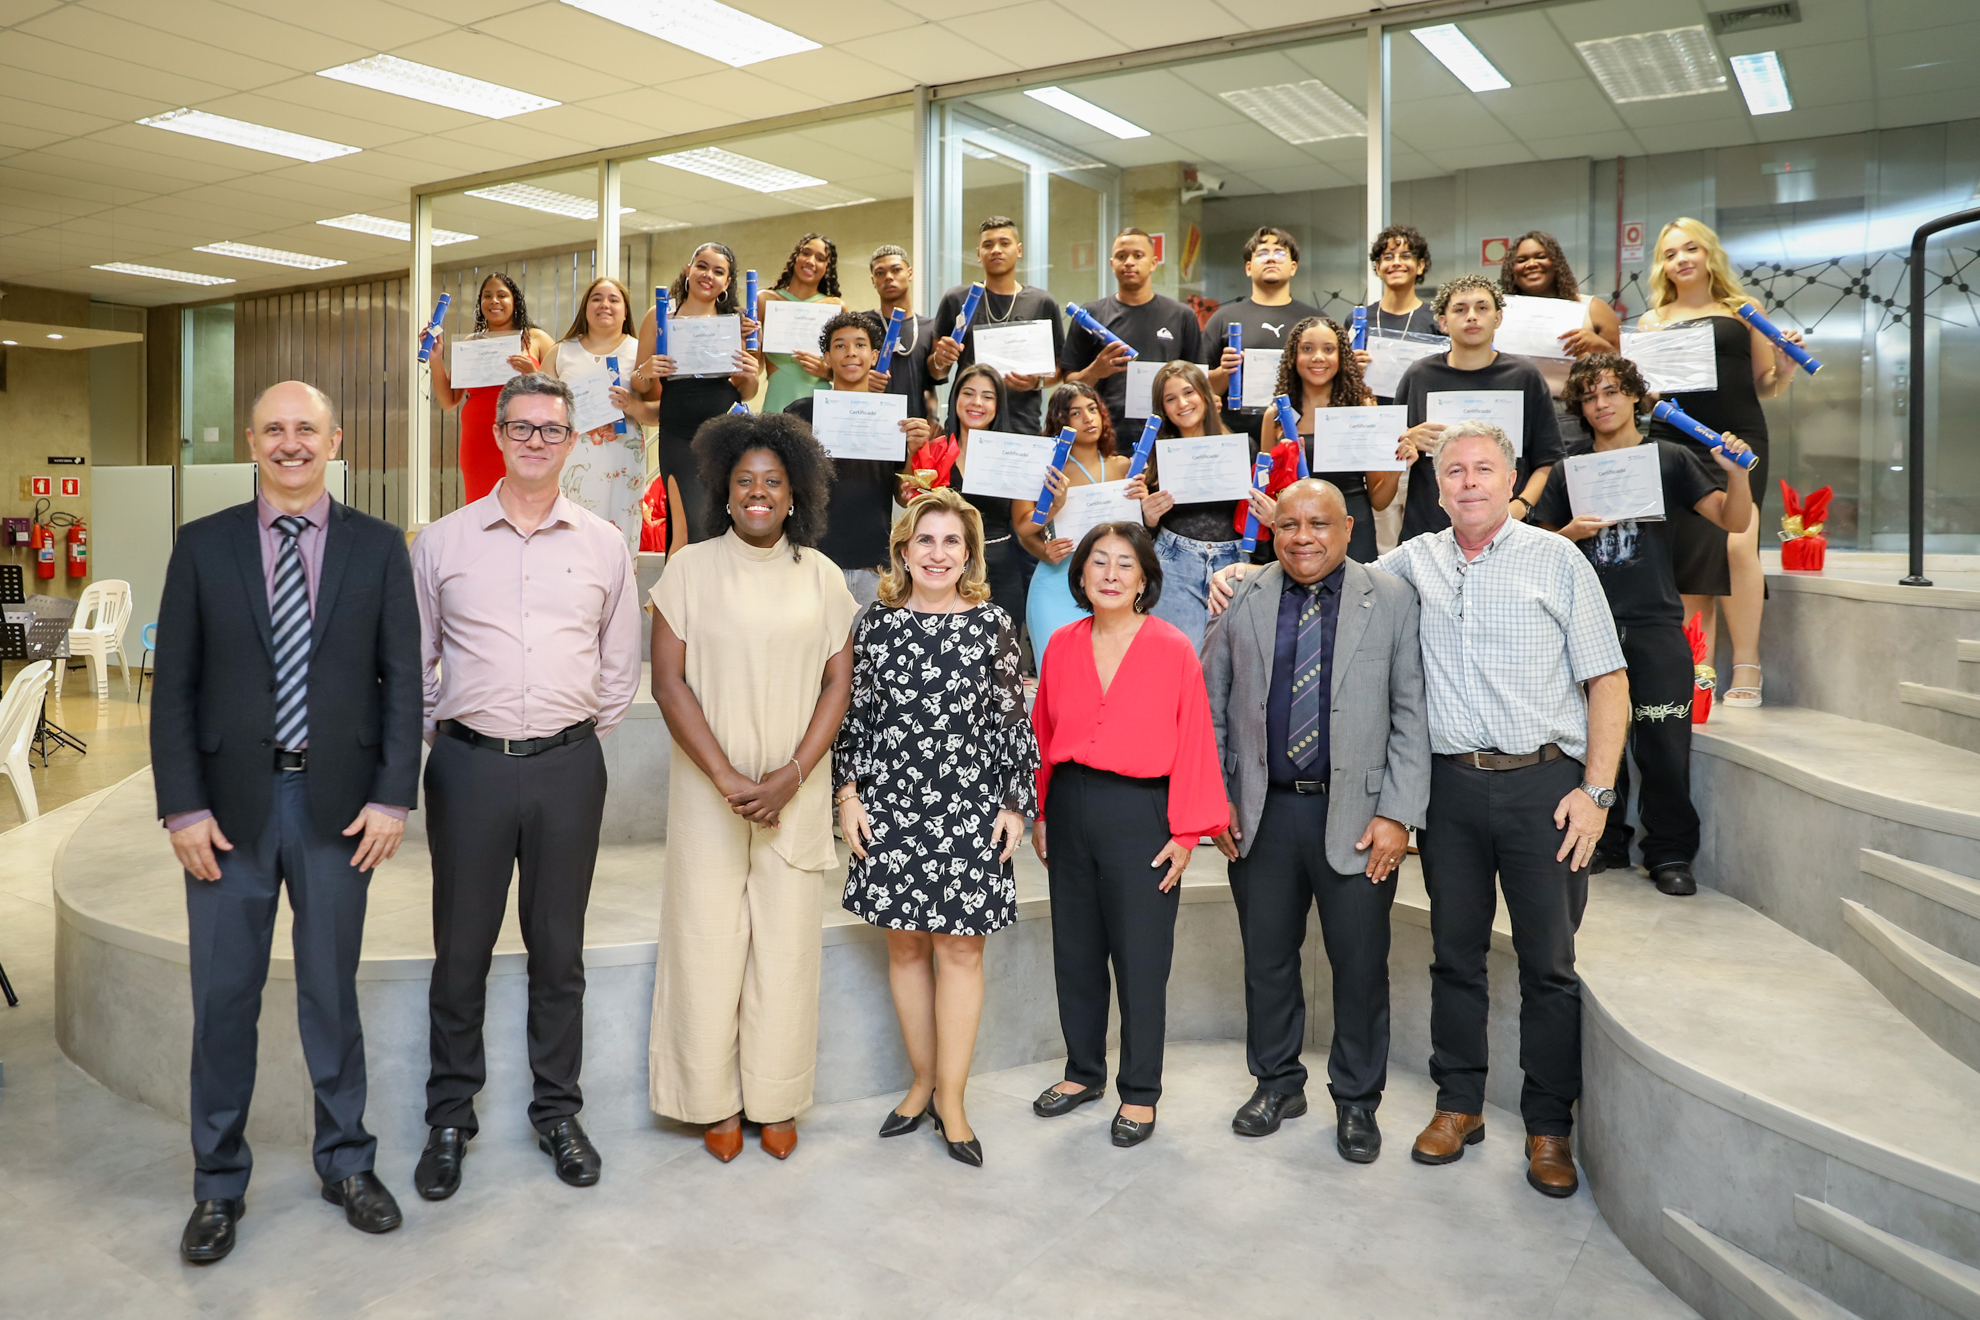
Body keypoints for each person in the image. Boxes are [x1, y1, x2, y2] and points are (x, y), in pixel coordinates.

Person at [153, 381, 421, 1263]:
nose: (291, 442)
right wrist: (183, 806)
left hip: (339, 811)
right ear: (251, 441)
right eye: (275, 429)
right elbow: (176, 691)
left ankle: (346, 1161)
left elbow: (401, 686)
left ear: (334, 439)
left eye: (306, 429)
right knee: (223, 999)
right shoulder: (202, 546)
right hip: (228, 814)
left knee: (329, 994)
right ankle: (217, 1183)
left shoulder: (381, 549)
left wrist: (391, 797)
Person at [1376, 421, 1628, 1201]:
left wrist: (1596, 792)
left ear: (1511, 476)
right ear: (1438, 484)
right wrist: (1239, 575)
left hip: (1545, 791)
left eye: (1484, 469)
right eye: (1454, 471)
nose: (1469, 482)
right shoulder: (1412, 561)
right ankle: (1459, 1105)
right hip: (1449, 791)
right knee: (1455, 954)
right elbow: (1333, 583)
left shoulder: (1557, 559)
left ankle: (1549, 1126)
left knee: (1549, 966)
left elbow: (1608, 683)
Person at [411, 374, 641, 1201]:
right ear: (499, 435)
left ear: (572, 443)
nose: (536, 440)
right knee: (461, 950)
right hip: (467, 767)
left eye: (552, 429)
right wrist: (462, 732)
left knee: (559, 951)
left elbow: (619, 673)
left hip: (568, 766)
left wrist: (563, 735)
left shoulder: (605, 545)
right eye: (521, 427)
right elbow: (415, 661)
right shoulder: (441, 541)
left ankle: (557, 1111)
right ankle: (448, 1117)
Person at [647, 411, 858, 1163]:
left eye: (773, 482)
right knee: (706, 938)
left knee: (786, 945)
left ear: (795, 495)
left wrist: (793, 774)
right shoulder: (690, 569)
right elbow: (669, 684)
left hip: (793, 793)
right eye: (745, 483)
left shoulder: (823, 576)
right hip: (712, 788)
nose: (759, 493)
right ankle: (709, 1100)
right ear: (725, 495)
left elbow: (839, 681)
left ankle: (775, 1097)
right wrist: (731, 777)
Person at [1201, 479, 1428, 1161]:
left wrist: (1398, 815)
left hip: (1358, 819)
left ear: (1349, 528)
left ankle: (1357, 1102)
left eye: (1319, 524)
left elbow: (1412, 713)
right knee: (1268, 961)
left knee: (1360, 967)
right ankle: (1277, 1082)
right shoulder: (1242, 595)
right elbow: (1209, 705)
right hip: (1260, 815)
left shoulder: (1389, 598)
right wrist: (1215, 801)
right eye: (1290, 524)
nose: (1303, 537)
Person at [833, 488, 1040, 1167]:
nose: (938, 553)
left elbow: (1014, 724)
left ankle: (952, 1098)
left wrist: (1014, 804)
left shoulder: (992, 625)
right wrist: (848, 794)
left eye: (953, 542)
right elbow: (854, 717)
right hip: (890, 805)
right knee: (904, 949)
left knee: (959, 952)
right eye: (926, 540)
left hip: (970, 808)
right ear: (903, 550)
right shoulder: (875, 625)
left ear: (970, 556)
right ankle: (920, 1082)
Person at [1030, 522, 1227, 1147]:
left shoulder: (1171, 646)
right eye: (1098, 563)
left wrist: (1188, 831)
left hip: (1142, 812)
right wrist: (1038, 810)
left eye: (1124, 565)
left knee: (1141, 960)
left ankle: (1140, 1091)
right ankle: (1083, 1071)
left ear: (1144, 579)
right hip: (1069, 806)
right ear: (1080, 574)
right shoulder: (1061, 643)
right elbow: (1039, 733)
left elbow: (1196, 735)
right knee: (1076, 953)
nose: (1110, 575)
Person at [1532, 354, 1753, 896]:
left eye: (1611, 391)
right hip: (1585, 624)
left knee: (1664, 743)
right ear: (1580, 407)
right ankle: (1603, 842)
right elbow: (1535, 545)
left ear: (1635, 395)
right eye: (1589, 396)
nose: (1601, 403)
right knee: (1595, 743)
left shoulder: (1670, 458)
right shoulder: (1569, 468)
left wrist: (1737, 473)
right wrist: (1571, 532)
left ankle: (1670, 852)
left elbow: (1734, 519)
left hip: (1655, 621)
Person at [1636, 216, 1803, 709]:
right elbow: (1651, 400)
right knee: (1691, 556)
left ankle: (1748, 665)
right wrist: (1643, 392)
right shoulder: (1653, 321)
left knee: (1735, 547)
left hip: (1738, 442)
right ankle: (1697, 668)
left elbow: (1765, 384)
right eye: (1670, 254)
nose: (1681, 259)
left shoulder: (1744, 310)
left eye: (1690, 249)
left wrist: (1787, 367)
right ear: (1661, 267)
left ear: (1709, 254)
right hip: (1675, 440)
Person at [1393, 276, 1564, 542]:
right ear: (1443, 322)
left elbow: (1548, 459)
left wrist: (1519, 507)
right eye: (1460, 309)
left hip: (1506, 533)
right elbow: (1385, 460)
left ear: (1498, 318)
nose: (1471, 317)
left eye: (1482, 308)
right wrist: (1407, 439)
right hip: (1428, 531)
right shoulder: (1418, 376)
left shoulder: (1524, 376)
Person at [783, 309, 933, 610]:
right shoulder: (799, 414)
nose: (851, 352)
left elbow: (902, 498)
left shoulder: (893, 420)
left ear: (875, 356)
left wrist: (914, 452)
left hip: (873, 563)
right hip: (813, 558)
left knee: (870, 654)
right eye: (839, 345)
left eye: (860, 345)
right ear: (826, 358)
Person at [631, 242, 761, 549]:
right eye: (702, 266)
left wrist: (751, 373)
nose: (708, 275)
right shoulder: (662, 315)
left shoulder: (737, 323)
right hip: (677, 435)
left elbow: (747, 391)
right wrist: (647, 371)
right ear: (688, 270)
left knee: (721, 529)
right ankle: (671, 599)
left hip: (723, 434)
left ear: (727, 283)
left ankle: (714, 597)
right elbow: (639, 384)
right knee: (684, 529)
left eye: (719, 272)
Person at [1254, 316, 1402, 564]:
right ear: (1293, 357)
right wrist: (1275, 513)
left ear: (1342, 357)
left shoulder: (1363, 408)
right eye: (1307, 349)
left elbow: (1378, 501)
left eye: (1329, 349)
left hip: (1353, 532)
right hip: (1296, 539)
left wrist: (1397, 469)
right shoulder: (1276, 416)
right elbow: (1268, 488)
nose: (1318, 357)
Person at [1132, 360, 1249, 650]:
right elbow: (1137, 532)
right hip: (1174, 565)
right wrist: (1147, 518)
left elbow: (1258, 519)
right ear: (1162, 409)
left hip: (1233, 563)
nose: (1182, 403)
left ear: (1206, 396)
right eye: (1170, 399)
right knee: (1177, 663)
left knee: (1230, 663)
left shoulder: (1241, 447)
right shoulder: (1152, 458)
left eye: (1189, 392)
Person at [1013, 382, 1132, 657]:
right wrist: (1047, 540)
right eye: (1076, 413)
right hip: (1057, 583)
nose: (1088, 418)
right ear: (1060, 422)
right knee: (1058, 680)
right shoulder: (1044, 470)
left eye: (1092, 409)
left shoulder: (1125, 466)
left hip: (1112, 584)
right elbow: (1022, 527)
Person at [919, 362, 1033, 626]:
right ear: (955, 397)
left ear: (998, 405)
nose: (976, 402)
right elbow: (914, 506)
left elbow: (1024, 524)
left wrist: (1054, 502)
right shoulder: (936, 448)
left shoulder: (1012, 454)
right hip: (943, 567)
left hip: (1000, 570)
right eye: (968, 393)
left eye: (987, 396)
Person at [428, 272, 557, 504]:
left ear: (514, 301)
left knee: (524, 504)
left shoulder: (536, 339)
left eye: (502, 295)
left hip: (524, 436)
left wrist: (534, 375)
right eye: (487, 296)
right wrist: (435, 357)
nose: (494, 301)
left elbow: (561, 396)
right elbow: (449, 400)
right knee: (481, 507)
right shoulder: (471, 343)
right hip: (479, 437)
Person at [927, 216, 1064, 435]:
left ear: (1019, 250)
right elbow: (936, 372)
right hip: (966, 425)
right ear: (979, 253)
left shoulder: (1041, 302)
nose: (996, 250)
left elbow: (1060, 370)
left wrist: (1035, 381)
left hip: (1022, 423)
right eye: (988, 245)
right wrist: (940, 358)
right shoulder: (957, 299)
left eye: (1004, 243)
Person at [1061, 227, 1203, 434]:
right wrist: (1095, 371)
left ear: (1153, 263)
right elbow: (1068, 386)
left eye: (1138, 256)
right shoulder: (1090, 316)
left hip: (1169, 432)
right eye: (1121, 256)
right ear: (1112, 264)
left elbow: (1198, 381)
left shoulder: (1181, 315)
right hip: (1106, 434)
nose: (1129, 262)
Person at [546, 275, 651, 547]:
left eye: (613, 299)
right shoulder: (561, 351)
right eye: (596, 298)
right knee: (568, 534)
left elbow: (660, 412)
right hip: (570, 459)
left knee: (618, 536)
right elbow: (538, 407)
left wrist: (633, 406)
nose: (605, 304)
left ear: (625, 311)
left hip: (622, 458)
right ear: (585, 308)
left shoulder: (640, 352)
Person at [1497, 231, 1620, 431]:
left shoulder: (1591, 308)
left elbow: (1630, 369)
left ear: (1556, 263)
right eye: (1522, 260)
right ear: (1512, 269)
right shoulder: (1497, 314)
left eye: (1540, 256)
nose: (1531, 264)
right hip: (1511, 413)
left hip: (1573, 414)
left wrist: (1598, 345)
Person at [1201, 226, 1322, 429]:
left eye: (1280, 252)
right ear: (1248, 268)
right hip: (1237, 438)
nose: (1271, 258)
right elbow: (1197, 388)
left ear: (1293, 267)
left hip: (1302, 437)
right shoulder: (1223, 319)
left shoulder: (1317, 321)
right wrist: (1225, 372)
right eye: (1262, 253)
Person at [758, 232, 844, 415]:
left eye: (820, 258)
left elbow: (848, 371)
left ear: (827, 267)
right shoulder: (765, 301)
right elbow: (752, 366)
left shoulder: (835, 307)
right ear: (795, 257)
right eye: (806, 253)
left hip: (820, 402)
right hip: (777, 400)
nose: (811, 261)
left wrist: (825, 371)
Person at [865, 244, 937, 422]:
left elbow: (930, 385)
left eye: (896, 270)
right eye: (880, 273)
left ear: (910, 273)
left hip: (915, 430)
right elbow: (843, 373)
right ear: (873, 280)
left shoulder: (929, 327)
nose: (889, 277)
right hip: (868, 423)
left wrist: (933, 417)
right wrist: (861, 382)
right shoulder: (860, 325)